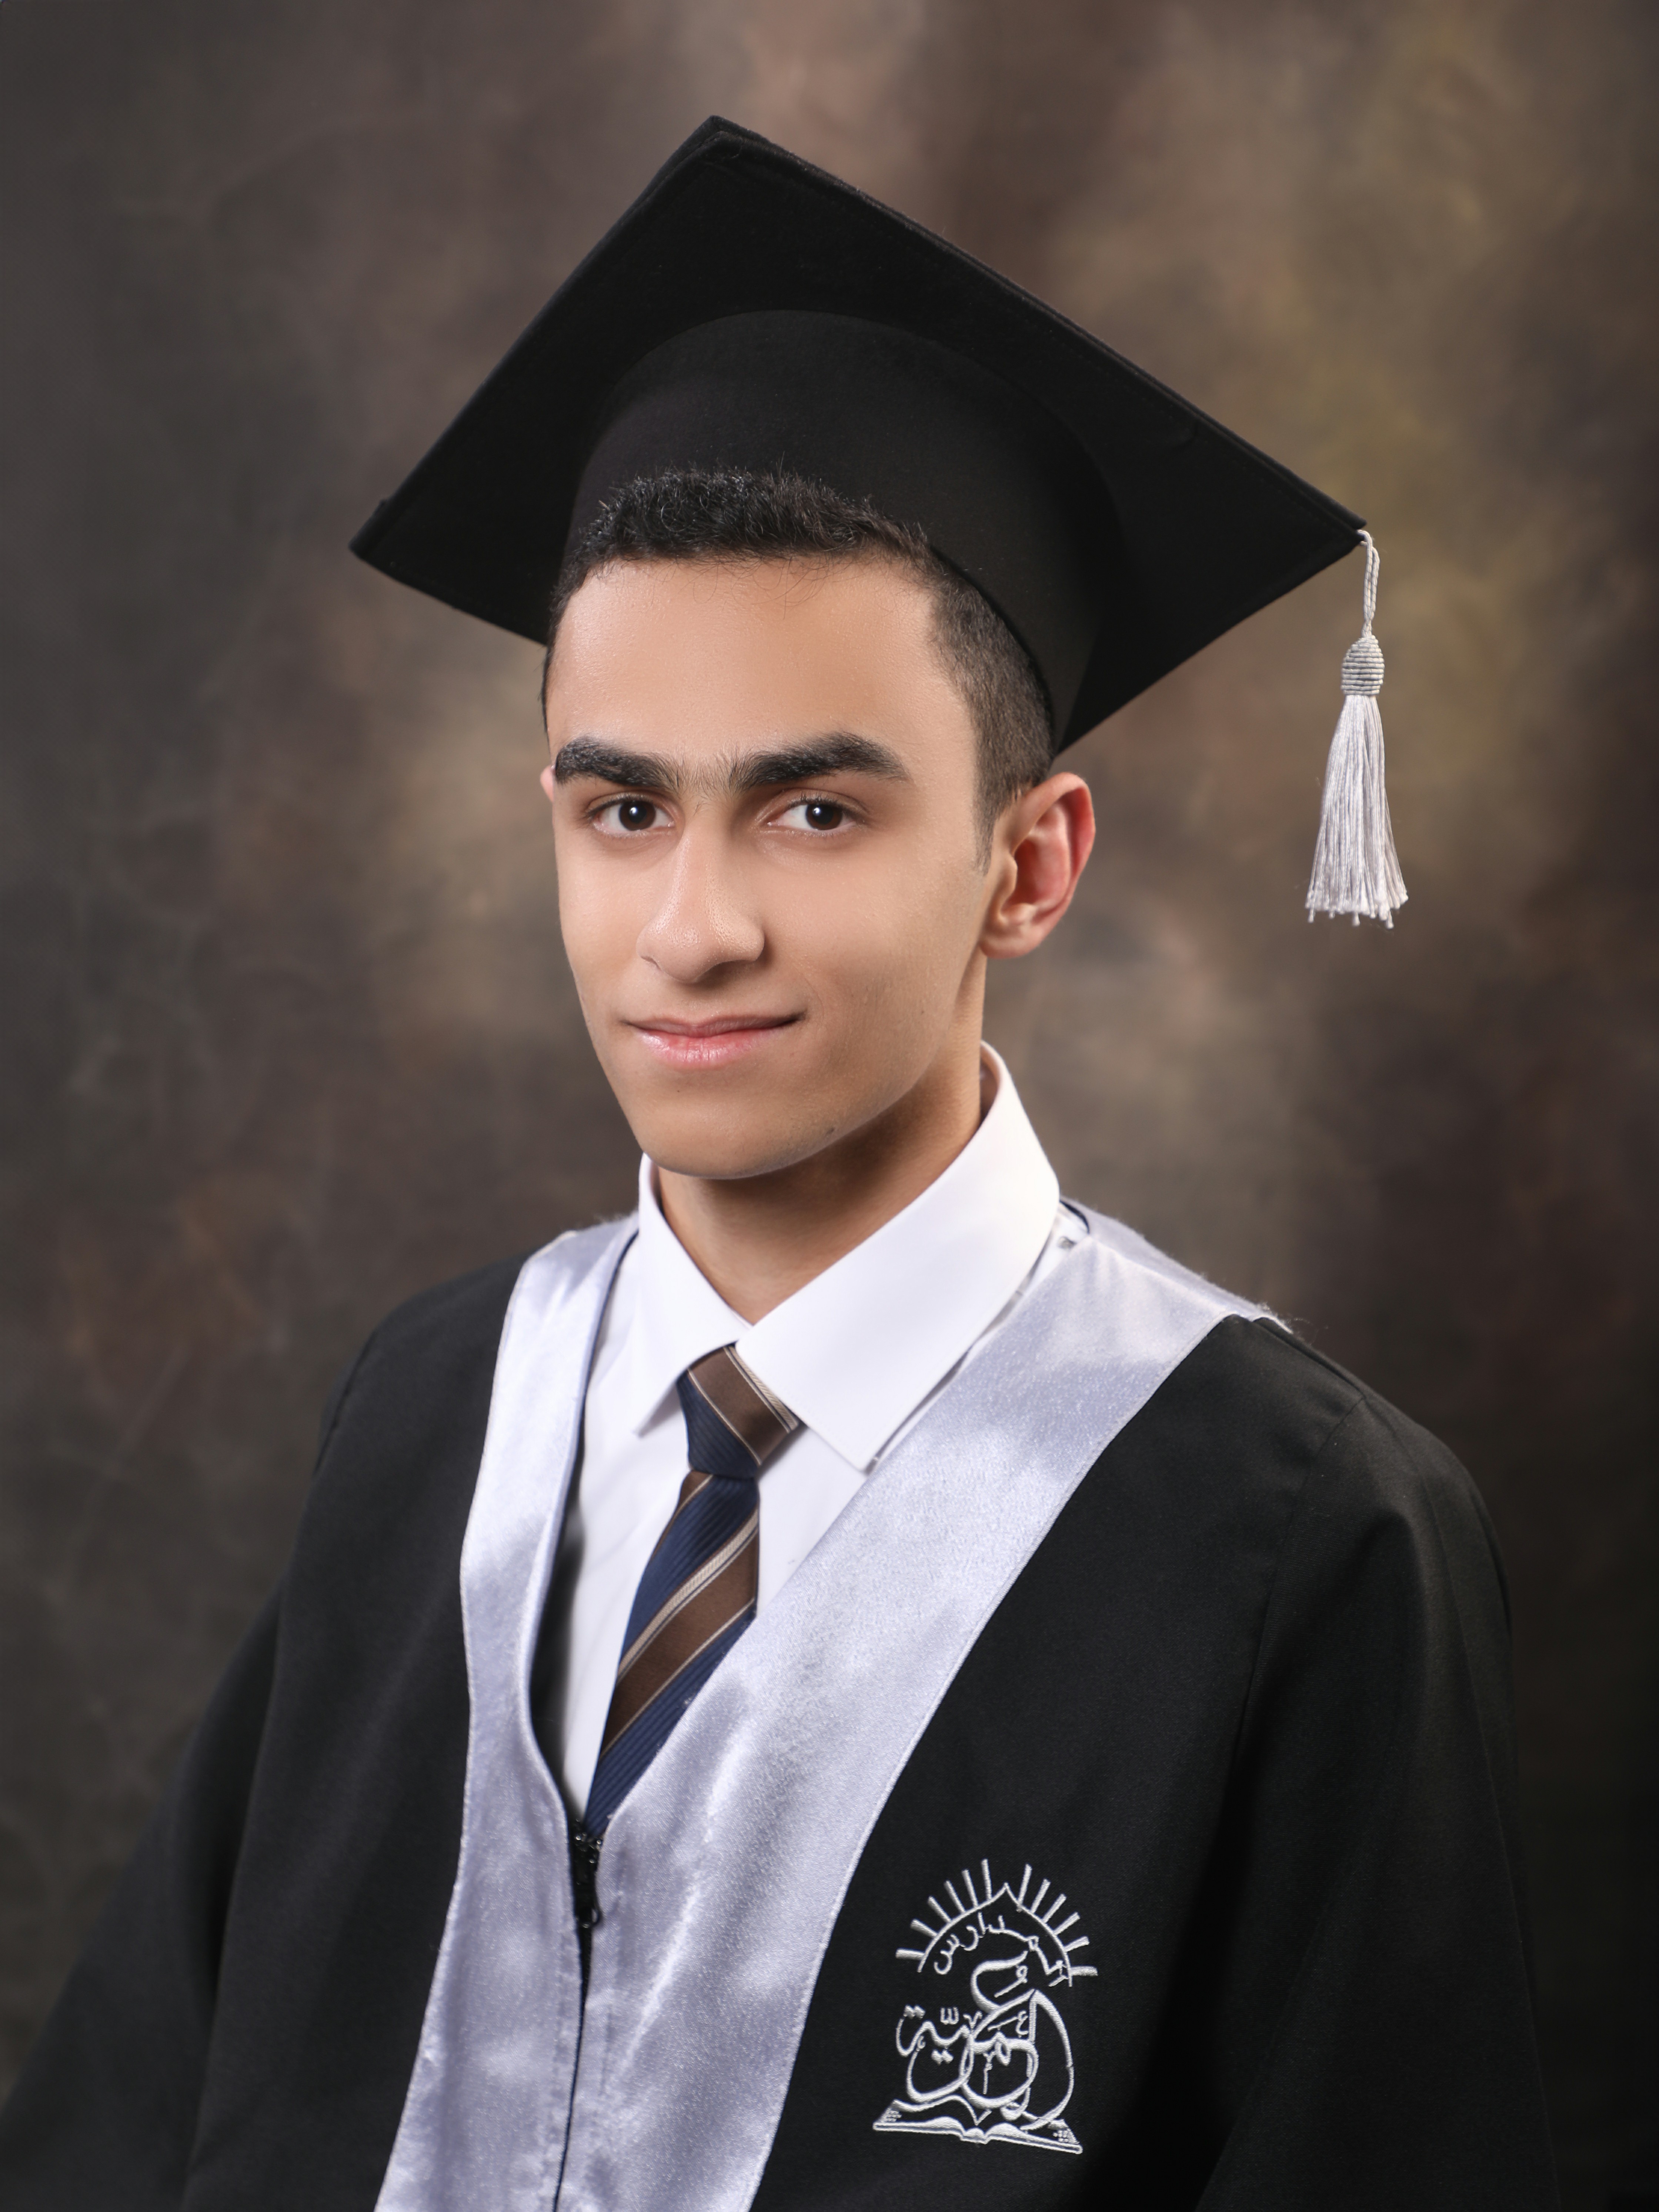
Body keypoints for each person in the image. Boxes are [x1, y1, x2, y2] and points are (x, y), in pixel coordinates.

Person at [0, 118, 1557, 2211]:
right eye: (622, 810)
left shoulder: (1298, 1535)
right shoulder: (434, 1415)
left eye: (815, 813)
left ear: (1029, 865)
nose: (691, 929)